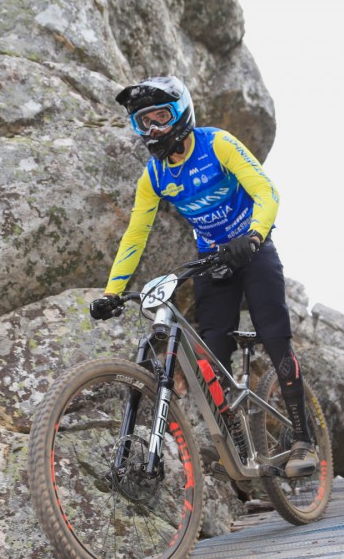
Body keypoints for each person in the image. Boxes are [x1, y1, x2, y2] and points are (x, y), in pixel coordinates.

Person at [88, 75, 316, 479]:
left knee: (275, 337)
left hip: (253, 249)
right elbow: (135, 235)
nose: (154, 129)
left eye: (161, 117)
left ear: (182, 114)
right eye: (144, 122)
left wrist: (254, 235)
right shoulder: (154, 177)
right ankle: (238, 445)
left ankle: (303, 439)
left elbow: (267, 193)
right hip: (213, 261)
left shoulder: (217, 144)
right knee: (211, 355)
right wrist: (112, 291)